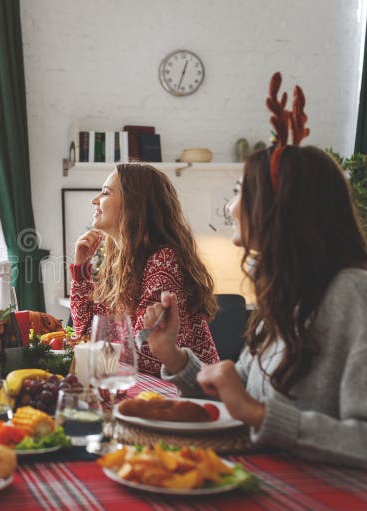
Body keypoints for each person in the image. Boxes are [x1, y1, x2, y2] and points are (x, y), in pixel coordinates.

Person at [144, 73, 367, 468]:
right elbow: (239, 400)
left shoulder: (354, 295)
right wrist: (175, 357)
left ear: (278, 209)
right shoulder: (284, 297)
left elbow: (254, 411)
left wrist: (262, 415)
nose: (231, 207)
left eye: (240, 191)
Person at [70, 163, 220, 376]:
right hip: (148, 390)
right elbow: (87, 333)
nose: (94, 200)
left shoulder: (164, 261)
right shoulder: (122, 264)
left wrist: (96, 348)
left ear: (133, 204)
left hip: (192, 395)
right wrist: (81, 269)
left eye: (105, 193)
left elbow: (147, 355)